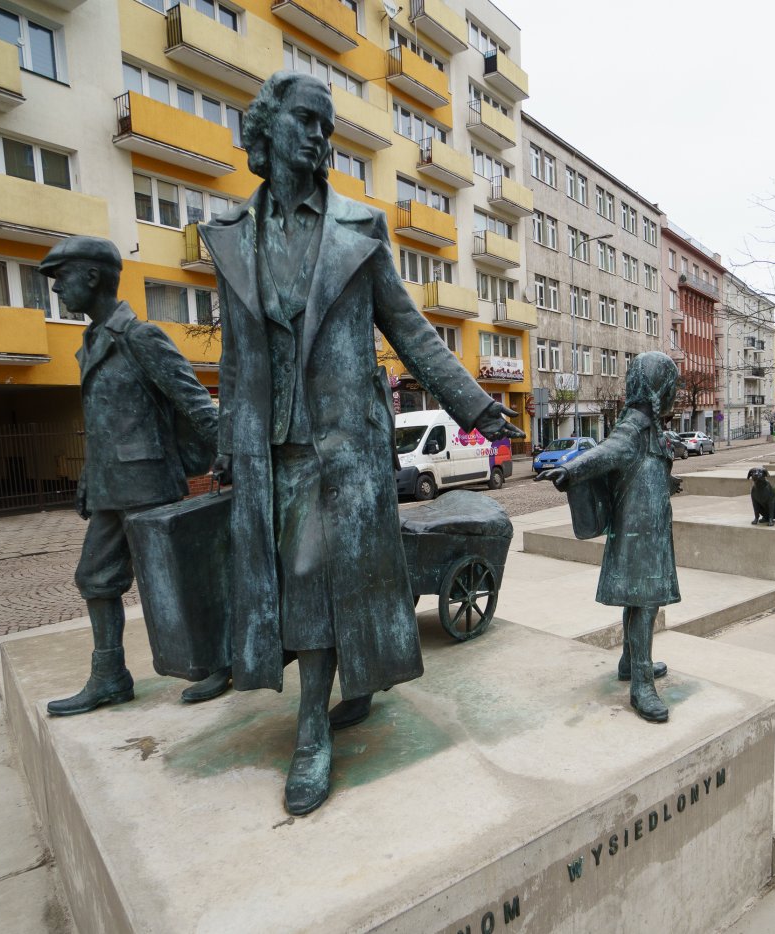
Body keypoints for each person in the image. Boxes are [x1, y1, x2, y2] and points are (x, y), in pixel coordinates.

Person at [202, 71, 522, 815]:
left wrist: (475, 405)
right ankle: (348, 689)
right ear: (269, 128)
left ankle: (312, 726)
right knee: (282, 585)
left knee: (313, 581)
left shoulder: (360, 229)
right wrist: (226, 444)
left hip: (341, 445)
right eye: (307, 121)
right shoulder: (229, 237)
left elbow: (410, 333)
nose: (319, 136)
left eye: (328, 126)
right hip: (268, 447)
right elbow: (234, 360)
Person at [41, 236, 221, 716]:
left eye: (62, 278)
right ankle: (109, 676)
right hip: (109, 489)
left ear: (93, 276)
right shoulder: (92, 341)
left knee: (174, 582)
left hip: (150, 486)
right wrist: (86, 478)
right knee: (95, 579)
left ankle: (215, 662)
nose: (57, 289)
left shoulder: (140, 337)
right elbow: (105, 424)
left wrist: (232, 454)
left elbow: (196, 404)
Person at [535, 351, 680, 723]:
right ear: (655, 388)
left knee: (644, 601)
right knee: (645, 603)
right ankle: (642, 684)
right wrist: (569, 468)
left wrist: (667, 482)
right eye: (670, 387)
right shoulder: (634, 425)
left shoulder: (651, 427)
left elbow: (640, 469)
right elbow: (608, 453)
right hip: (637, 533)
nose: (674, 394)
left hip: (651, 529)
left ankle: (631, 662)